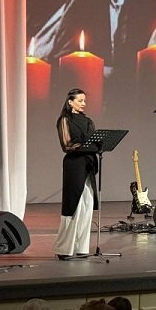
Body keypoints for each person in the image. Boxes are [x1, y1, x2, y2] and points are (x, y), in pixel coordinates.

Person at [54, 88, 98, 260]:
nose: (83, 103)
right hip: (74, 164)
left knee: (87, 205)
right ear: (70, 102)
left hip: (88, 164)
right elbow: (66, 145)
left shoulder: (88, 121)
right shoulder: (64, 120)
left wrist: (95, 146)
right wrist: (85, 146)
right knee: (73, 206)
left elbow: (94, 140)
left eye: (84, 100)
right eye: (80, 100)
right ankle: (64, 249)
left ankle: (82, 247)